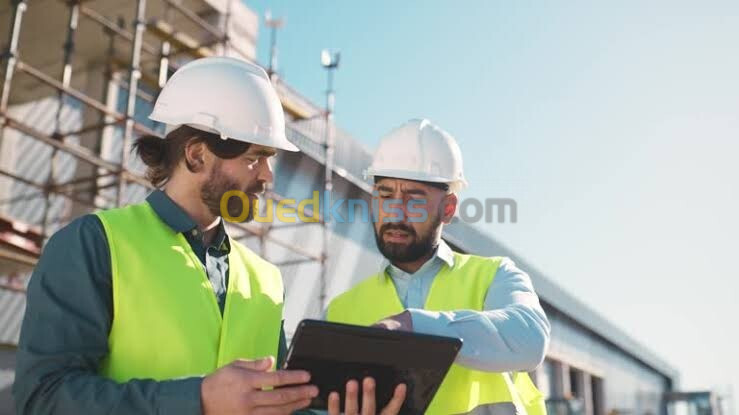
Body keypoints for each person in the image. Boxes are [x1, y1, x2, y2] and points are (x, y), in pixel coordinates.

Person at [13, 57, 403, 415]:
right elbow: (43, 397)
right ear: (197, 155)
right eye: (254, 158)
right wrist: (197, 400)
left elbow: (277, 404)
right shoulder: (94, 244)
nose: (268, 176)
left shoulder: (265, 279)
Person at [326, 119, 551, 415]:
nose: (395, 211)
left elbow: (530, 341)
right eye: (384, 195)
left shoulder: (493, 276)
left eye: (414, 199)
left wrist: (415, 326)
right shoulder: (339, 311)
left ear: (448, 208)